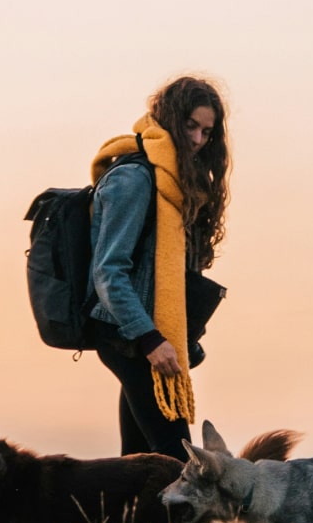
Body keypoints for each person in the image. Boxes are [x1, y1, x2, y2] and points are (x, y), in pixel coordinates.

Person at [85, 75, 229, 460]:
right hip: (129, 334)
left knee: (139, 463)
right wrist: (150, 340)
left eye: (206, 131)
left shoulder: (174, 182)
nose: (198, 139)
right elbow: (108, 271)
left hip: (146, 334)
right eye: (191, 126)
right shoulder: (134, 178)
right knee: (178, 463)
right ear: (170, 119)